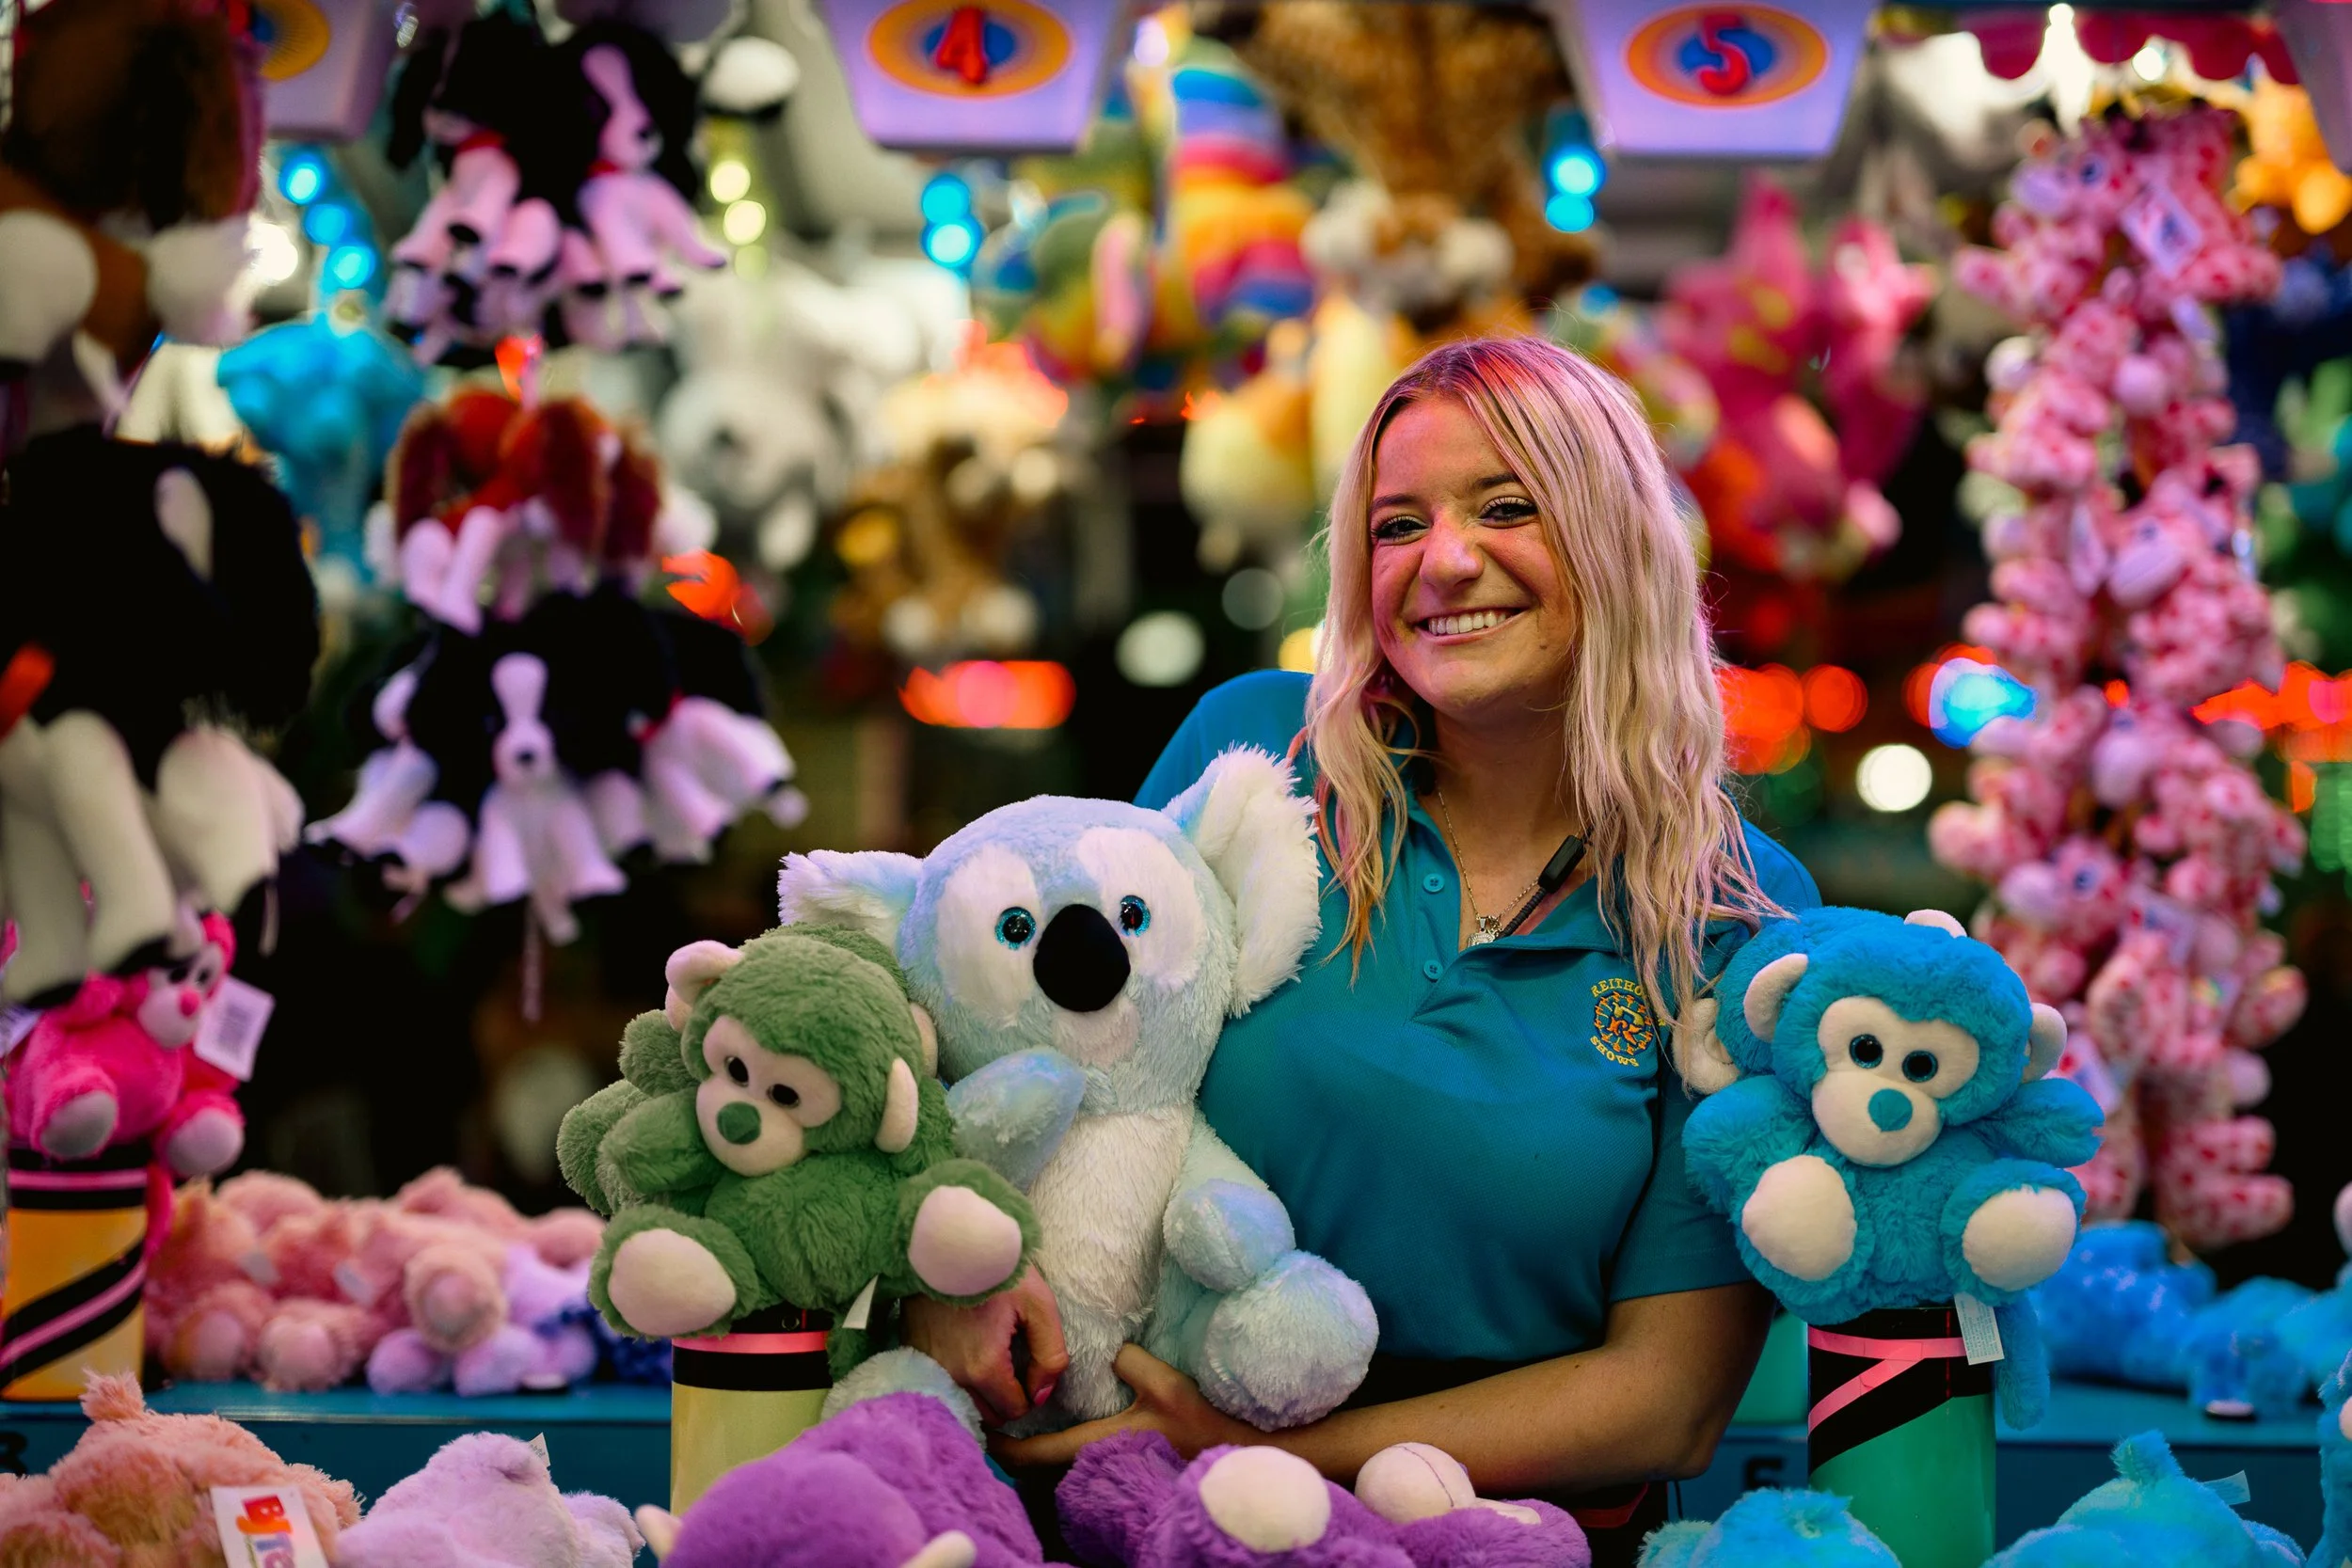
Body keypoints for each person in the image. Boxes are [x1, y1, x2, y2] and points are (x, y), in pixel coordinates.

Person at [904, 336, 1820, 1564]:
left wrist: (1257, 1452)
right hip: (1117, 1506)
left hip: (1492, 1532)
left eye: (1508, 506)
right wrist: (950, 1263)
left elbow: (1670, 1398)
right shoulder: (1254, 758)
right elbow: (1015, 1030)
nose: (1444, 561)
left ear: (1618, 537)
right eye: (1396, 525)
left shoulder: (1735, 909)